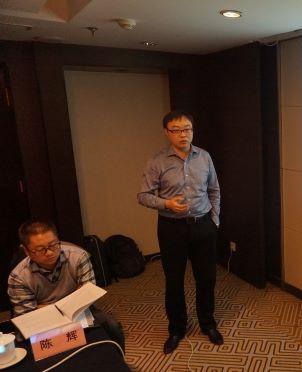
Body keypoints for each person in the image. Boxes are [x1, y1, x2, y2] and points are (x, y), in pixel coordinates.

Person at [138, 110, 222, 354]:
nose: (183, 134)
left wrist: (214, 220)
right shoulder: (157, 161)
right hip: (171, 228)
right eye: (176, 130)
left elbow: (214, 190)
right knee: (174, 280)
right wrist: (166, 204)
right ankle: (177, 328)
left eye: (187, 129)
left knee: (206, 278)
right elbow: (143, 195)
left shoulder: (204, 157)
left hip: (203, 225)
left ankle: (208, 323)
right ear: (167, 133)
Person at [7, 220, 125, 350]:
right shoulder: (18, 277)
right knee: (29, 347)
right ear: (26, 251)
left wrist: (42, 306)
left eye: (53, 245)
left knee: (112, 327)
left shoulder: (78, 256)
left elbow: (88, 293)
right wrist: (71, 300)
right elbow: (27, 314)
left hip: (79, 311)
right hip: (41, 321)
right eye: (40, 249)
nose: (50, 252)